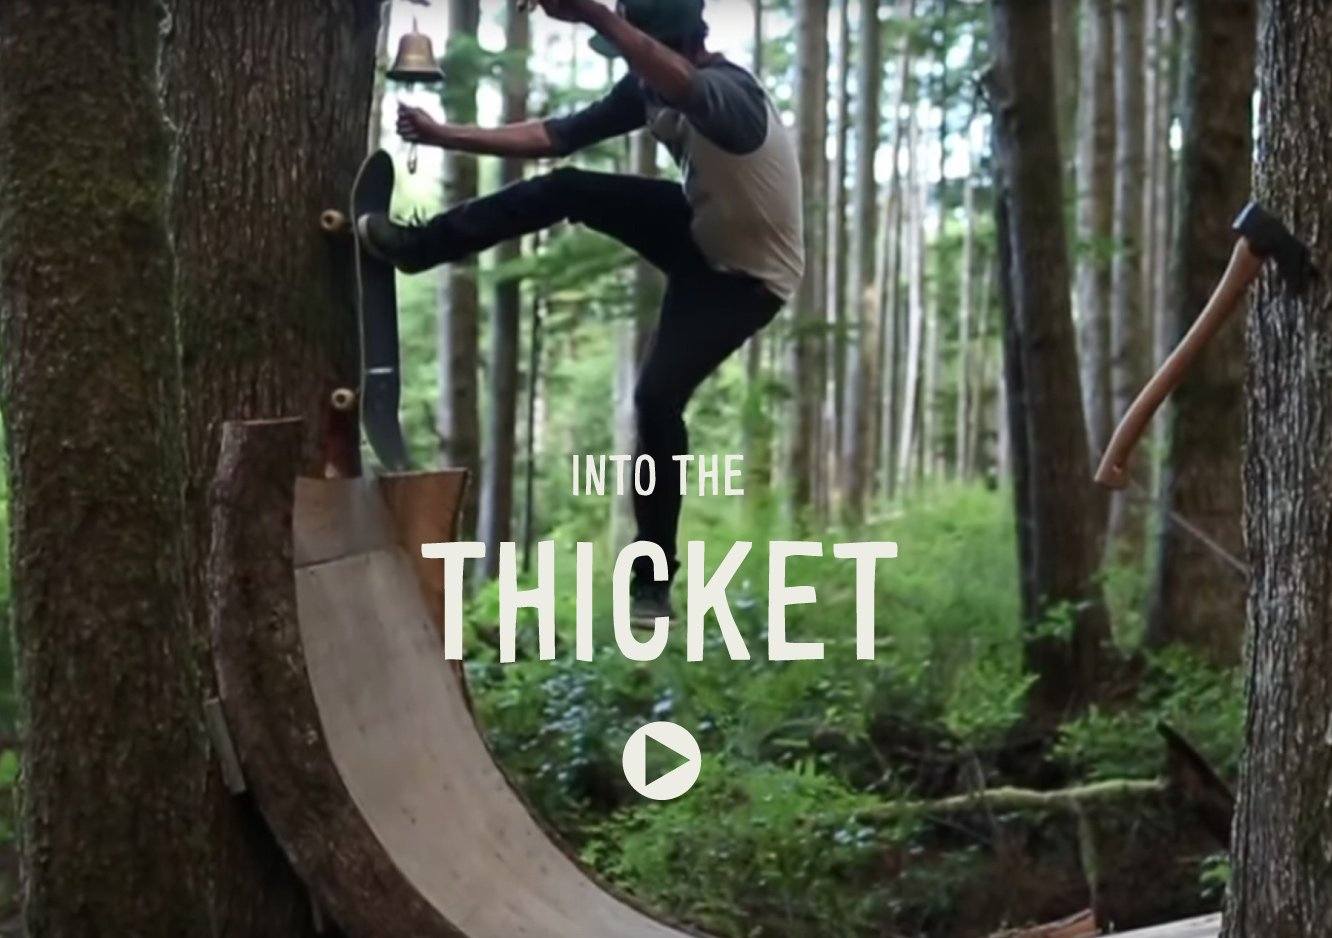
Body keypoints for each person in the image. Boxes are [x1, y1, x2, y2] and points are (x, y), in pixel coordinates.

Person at [359, 0, 804, 622]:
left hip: (746, 283)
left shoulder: (730, 98)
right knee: (569, 186)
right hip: (698, 232)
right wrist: (445, 134)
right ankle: (418, 247)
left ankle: (651, 581)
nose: (633, 74)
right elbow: (552, 135)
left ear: (671, 43)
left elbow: (681, 82)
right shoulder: (649, 86)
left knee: (655, 401)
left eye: (636, 53)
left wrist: (599, 17)